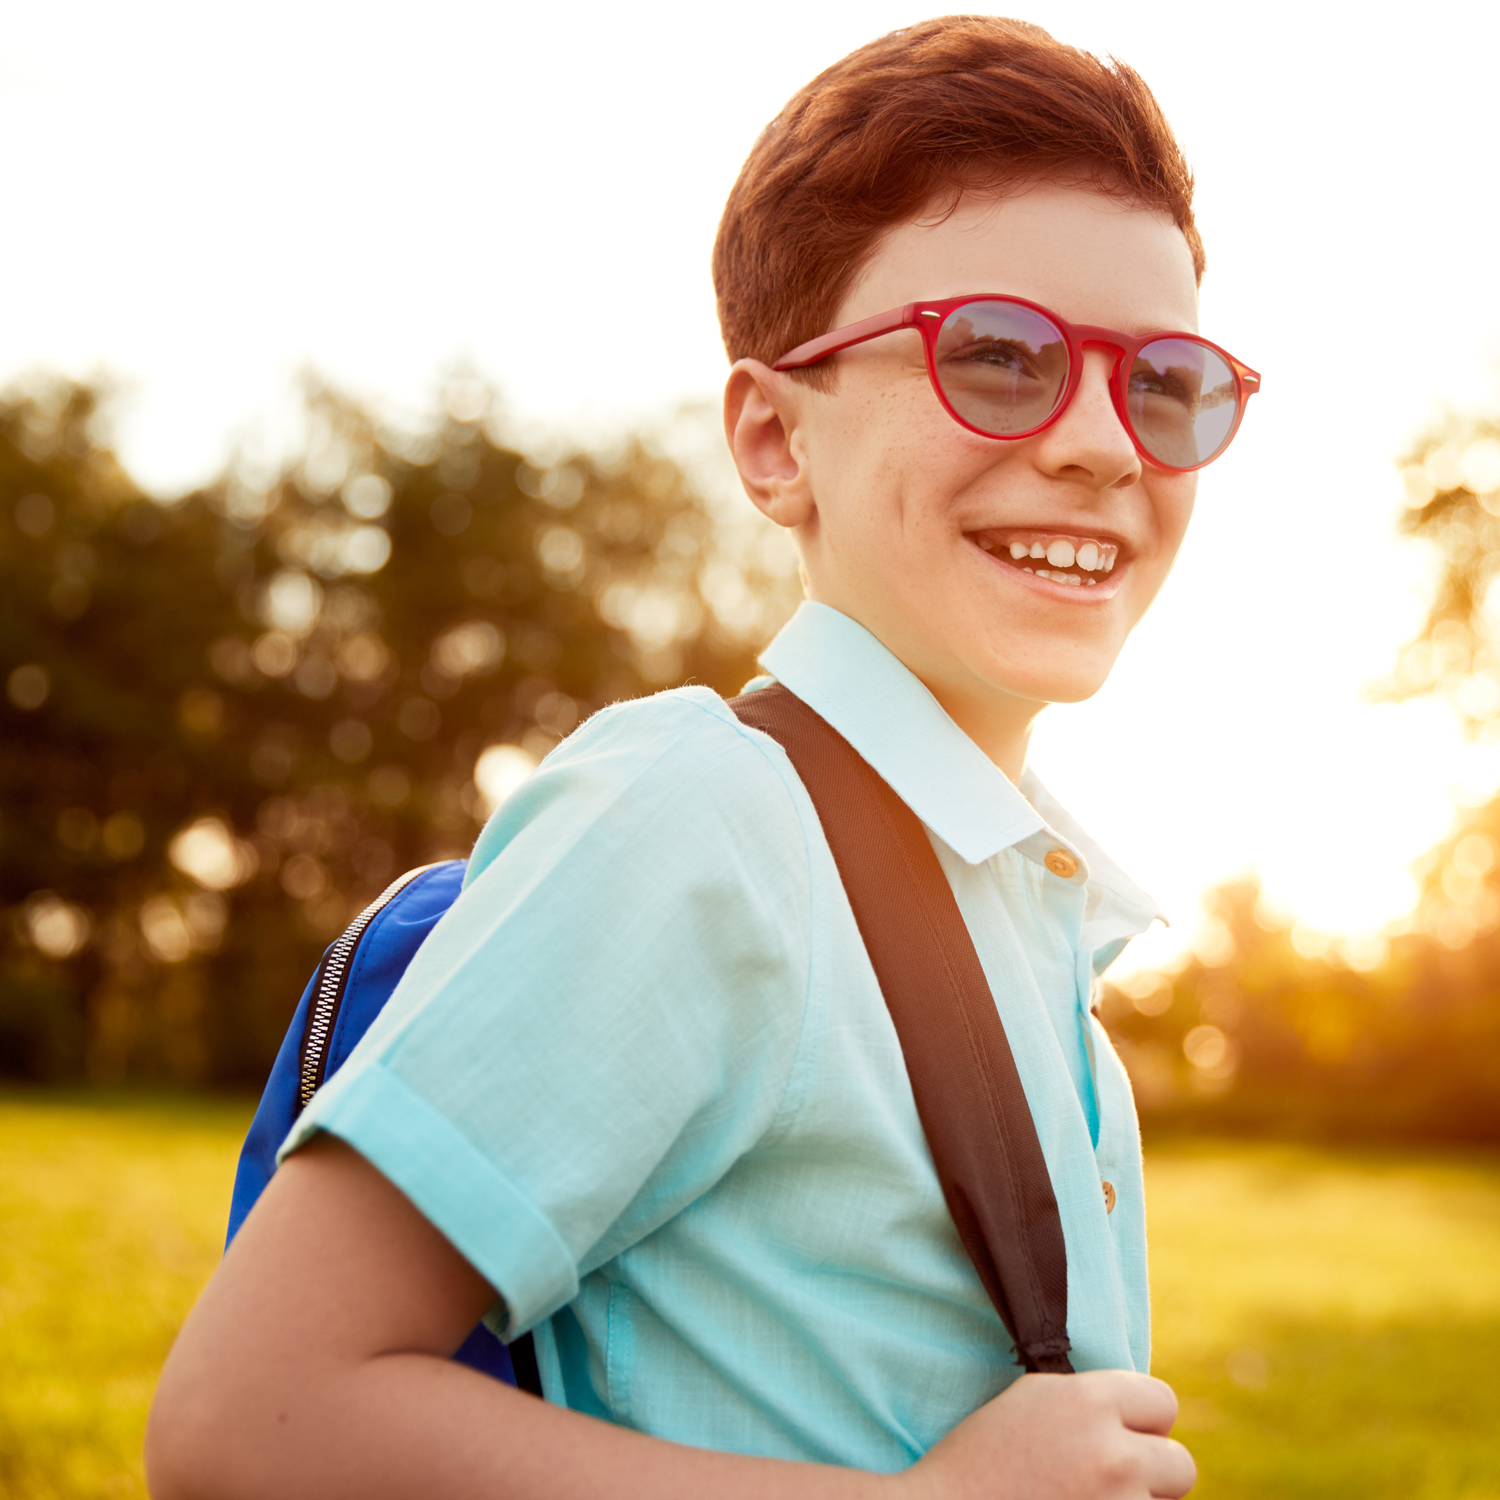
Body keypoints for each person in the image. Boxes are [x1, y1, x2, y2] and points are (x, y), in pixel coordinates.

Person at [148, 16, 1258, 1499]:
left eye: (1165, 383)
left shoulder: (1047, 949)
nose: (1105, 446)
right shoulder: (708, 821)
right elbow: (250, 1422)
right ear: (773, 440)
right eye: (1000, 358)